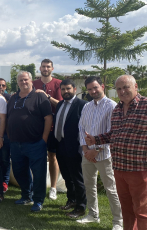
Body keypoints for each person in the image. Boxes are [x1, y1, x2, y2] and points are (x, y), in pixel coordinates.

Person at [85, 75, 147, 230]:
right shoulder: (117, 109)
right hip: (120, 169)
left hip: (142, 170)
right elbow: (114, 135)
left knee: (143, 213)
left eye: (126, 87)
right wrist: (95, 139)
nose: (122, 91)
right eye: (119, 89)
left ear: (135, 86)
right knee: (127, 212)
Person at [78, 76, 122, 230]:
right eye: (90, 89)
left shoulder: (112, 106)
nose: (93, 91)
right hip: (87, 154)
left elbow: (113, 132)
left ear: (102, 86)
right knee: (89, 186)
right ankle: (93, 215)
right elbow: (81, 129)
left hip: (104, 155)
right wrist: (85, 150)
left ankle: (118, 222)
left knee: (111, 189)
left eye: (95, 87)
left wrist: (96, 150)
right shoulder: (87, 106)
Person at [7, 71, 52, 212]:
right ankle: (26, 195)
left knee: (38, 174)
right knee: (20, 172)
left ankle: (38, 200)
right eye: (20, 80)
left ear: (31, 81)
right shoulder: (13, 98)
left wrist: (44, 139)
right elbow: (8, 117)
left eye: (25, 79)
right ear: (17, 82)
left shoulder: (40, 97)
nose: (23, 82)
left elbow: (48, 118)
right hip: (15, 144)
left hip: (35, 143)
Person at [54, 79, 87, 218]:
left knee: (77, 178)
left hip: (75, 147)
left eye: (68, 88)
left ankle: (81, 206)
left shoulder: (83, 105)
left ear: (74, 89)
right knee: (67, 176)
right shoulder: (60, 104)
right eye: (63, 89)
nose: (65, 91)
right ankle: (71, 200)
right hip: (60, 145)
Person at [32, 58, 63, 201]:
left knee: (52, 156)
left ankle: (53, 188)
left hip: (52, 127)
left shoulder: (58, 84)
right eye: (43, 67)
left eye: (48, 67)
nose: (45, 69)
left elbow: (61, 105)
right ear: (40, 68)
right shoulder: (33, 83)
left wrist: (47, 96)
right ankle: (36, 186)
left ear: (52, 68)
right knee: (36, 157)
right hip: (36, 127)